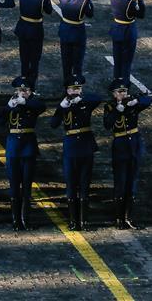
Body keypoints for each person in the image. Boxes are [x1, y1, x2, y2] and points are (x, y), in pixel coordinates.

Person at [50, 74, 101, 231]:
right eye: (73, 89)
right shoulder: (64, 105)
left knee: (85, 183)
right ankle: (73, 220)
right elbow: (53, 124)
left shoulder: (85, 102)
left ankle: (84, 221)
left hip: (85, 145)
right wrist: (61, 107)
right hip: (71, 146)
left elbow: (97, 98)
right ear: (67, 89)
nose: (75, 91)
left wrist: (81, 100)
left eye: (78, 88)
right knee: (71, 184)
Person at [104, 78, 152, 230]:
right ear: (114, 94)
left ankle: (128, 217)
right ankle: (119, 218)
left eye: (124, 91)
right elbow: (107, 125)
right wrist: (117, 110)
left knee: (131, 182)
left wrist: (136, 101)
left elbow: (148, 100)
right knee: (121, 182)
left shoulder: (131, 102)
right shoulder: (110, 106)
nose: (123, 94)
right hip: (120, 145)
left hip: (134, 144)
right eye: (119, 92)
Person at [0, 76, 47, 230]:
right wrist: (8, 107)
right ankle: (15, 220)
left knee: (27, 185)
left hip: (28, 146)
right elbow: (0, 120)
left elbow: (41, 107)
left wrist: (25, 102)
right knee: (14, 184)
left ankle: (25, 219)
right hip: (13, 146)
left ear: (30, 91)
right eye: (20, 90)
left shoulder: (33, 103)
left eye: (25, 90)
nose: (22, 92)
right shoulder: (12, 102)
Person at [14, 0, 53, 87]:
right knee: (35, 59)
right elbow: (49, 11)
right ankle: (32, 85)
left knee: (24, 57)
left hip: (23, 28)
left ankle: (24, 83)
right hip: (36, 29)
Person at [58, 0, 94, 79]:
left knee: (66, 61)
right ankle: (76, 84)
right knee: (78, 61)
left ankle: (67, 84)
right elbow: (90, 14)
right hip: (78, 33)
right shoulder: (83, 1)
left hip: (64, 31)